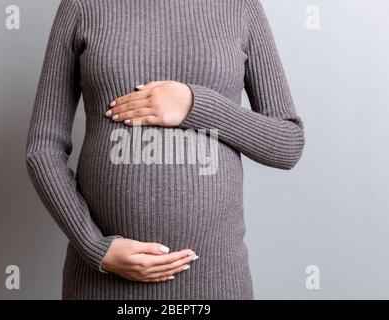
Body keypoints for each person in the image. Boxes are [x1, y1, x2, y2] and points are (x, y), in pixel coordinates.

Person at [25, 0, 305, 300]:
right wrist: (96, 248)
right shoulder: (83, 6)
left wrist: (196, 106)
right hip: (103, 283)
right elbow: (43, 149)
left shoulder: (240, 6)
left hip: (215, 282)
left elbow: (287, 144)